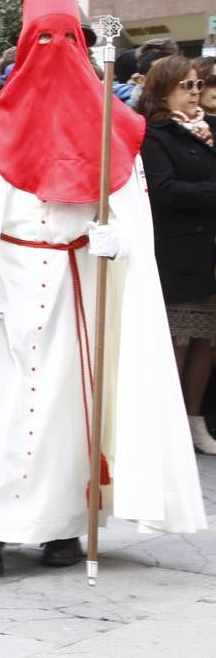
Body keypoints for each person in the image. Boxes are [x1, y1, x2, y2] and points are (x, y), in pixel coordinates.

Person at [0, 0, 206, 575]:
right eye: (40, 40)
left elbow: (132, 207)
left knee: (69, 412)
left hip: (80, 284)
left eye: (65, 40)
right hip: (8, 290)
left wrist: (118, 243)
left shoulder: (119, 131)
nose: (53, 52)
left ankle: (60, 527)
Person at [136, 56, 216, 453]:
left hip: (209, 250)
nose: (194, 93)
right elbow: (164, 191)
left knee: (207, 340)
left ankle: (195, 420)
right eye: (186, 85)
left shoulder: (208, 128)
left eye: (197, 85)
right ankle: (166, 423)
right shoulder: (155, 134)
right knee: (178, 340)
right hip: (178, 248)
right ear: (164, 88)